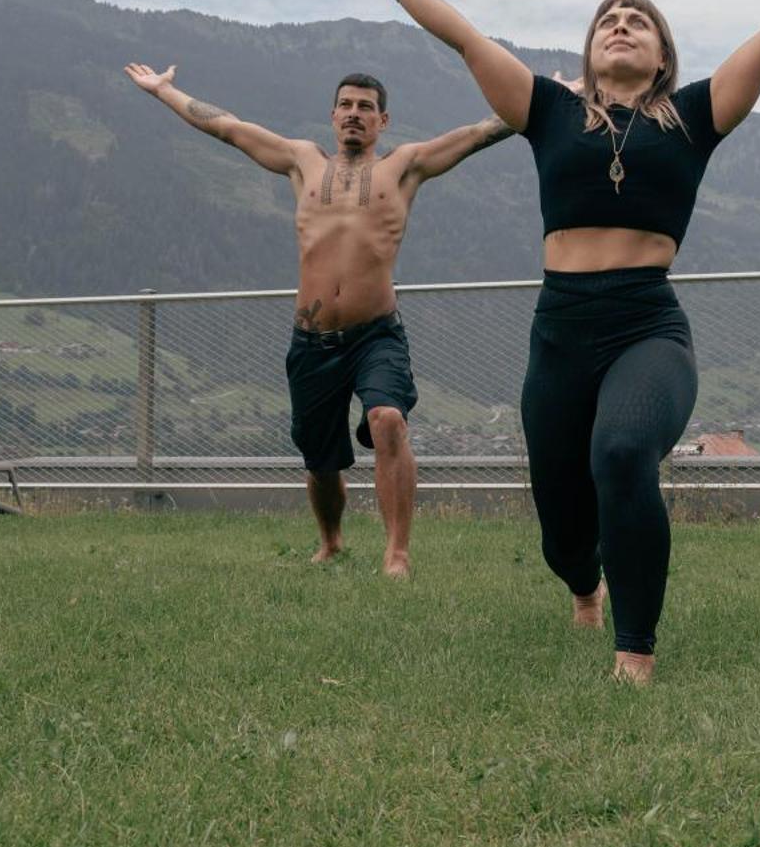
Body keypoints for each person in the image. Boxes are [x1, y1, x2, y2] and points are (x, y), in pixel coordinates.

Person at [323, 0, 760, 682]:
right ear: (591, 46)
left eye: (639, 19)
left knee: (623, 451)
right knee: (562, 530)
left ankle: (635, 649)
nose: (622, 24)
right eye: (609, 18)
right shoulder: (546, 110)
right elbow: (463, 36)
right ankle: (585, 585)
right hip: (560, 329)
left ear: (663, 52)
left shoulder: (695, 117)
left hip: (647, 324)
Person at [123, 63, 513, 575]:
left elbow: (481, 132)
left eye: (366, 107)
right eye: (346, 106)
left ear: (383, 120)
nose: (355, 114)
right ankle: (331, 542)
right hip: (312, 341)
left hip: (377, 333)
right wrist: (165, 91)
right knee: (320, 459)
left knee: (388, 419)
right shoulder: (302, 162)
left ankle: (397, 553)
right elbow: (227, 127)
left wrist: (549, 96)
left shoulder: (404, 167)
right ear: (333, 116)